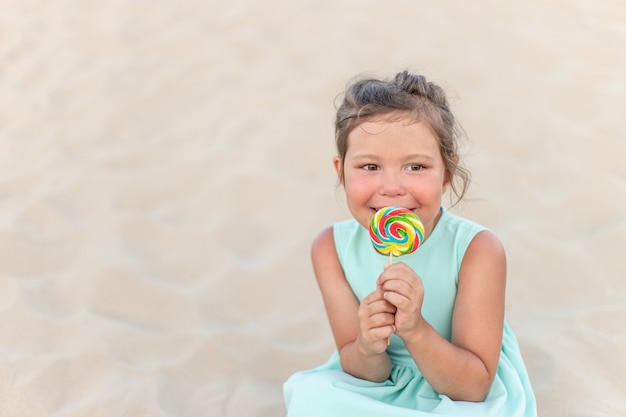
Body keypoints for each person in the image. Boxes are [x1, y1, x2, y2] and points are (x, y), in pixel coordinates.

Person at [283, 70, 536, 416]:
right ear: (340, 171)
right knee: (312, 396)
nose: (391, 187)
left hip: (457, 385)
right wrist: (369, 347)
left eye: (415, 167)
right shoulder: (330, 249)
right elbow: (360, 368)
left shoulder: (477, 250)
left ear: (446, 173)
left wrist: (414, 329)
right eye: (370, 166)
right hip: (382, 387)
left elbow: (474, 387)